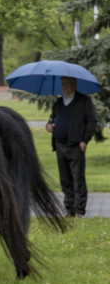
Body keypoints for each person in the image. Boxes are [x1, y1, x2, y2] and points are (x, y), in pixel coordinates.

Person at [45, 76, 98, 217]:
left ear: (74, 85)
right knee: (65, 179)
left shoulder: (84, 101)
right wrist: (49, 126)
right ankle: (69, 209)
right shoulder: (58, 102)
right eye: (63, 84)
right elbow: (51, 119)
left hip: (76, 146)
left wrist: (85, 140)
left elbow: (92, 121)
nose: (65, 87)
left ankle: (79, 210)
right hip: (60, 145)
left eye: (68, 84)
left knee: (77, 179)